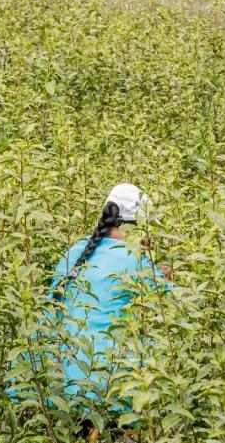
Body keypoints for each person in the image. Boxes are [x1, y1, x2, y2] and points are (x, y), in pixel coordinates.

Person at [42, 183, 170, 433]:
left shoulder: (76, 252)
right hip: (112, 391)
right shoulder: (136, 260)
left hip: (63, 390)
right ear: (132, 227)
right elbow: (172, 311)